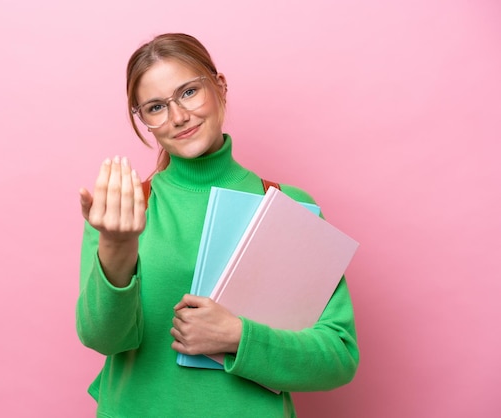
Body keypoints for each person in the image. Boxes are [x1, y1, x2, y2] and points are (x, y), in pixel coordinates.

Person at [76, 33, 359, 417]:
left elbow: (338, 358)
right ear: (143, 120)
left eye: (189, 92)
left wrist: (237, 336)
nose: (178, 117)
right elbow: (103, 338)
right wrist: (116, 246)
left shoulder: (286, 206)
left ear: (220, 86)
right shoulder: (123, 212)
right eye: (156, 107)